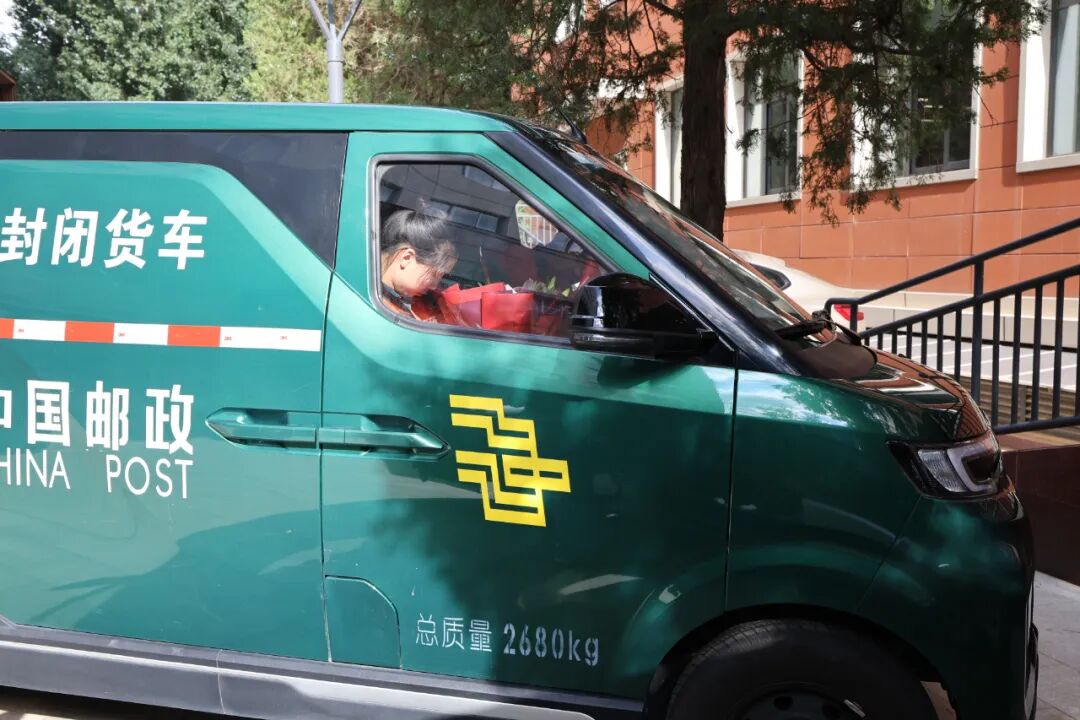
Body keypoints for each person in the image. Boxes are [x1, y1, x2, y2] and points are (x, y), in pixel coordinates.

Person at [379, 209, 458, 322]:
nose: (434, 286)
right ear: (407, 258)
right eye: (435, 274)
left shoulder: (377, 294)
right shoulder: (382, 308)